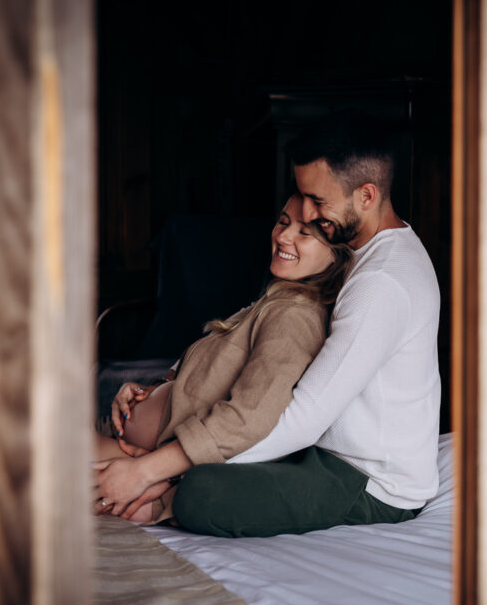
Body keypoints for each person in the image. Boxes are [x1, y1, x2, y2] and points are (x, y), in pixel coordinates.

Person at [161, 110, 442, 537]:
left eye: (319, 201)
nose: (306, 213)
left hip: (368, 480)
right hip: (319, 452)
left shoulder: (381, 282)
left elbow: (306, 417)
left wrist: (167, 468)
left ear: (366, 196)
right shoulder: (364, 250)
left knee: (202, 492)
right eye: (302, 195)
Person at [92, 193, 352, 522]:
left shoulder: (295, 318)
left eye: (305, 233)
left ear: (335, 255)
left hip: (151, 459)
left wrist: (154, 471)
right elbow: (208, 371)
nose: (283, 236)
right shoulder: (275, 300)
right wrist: (152, 387)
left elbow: (250, 419)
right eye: (283, 222)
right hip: (132, 445)